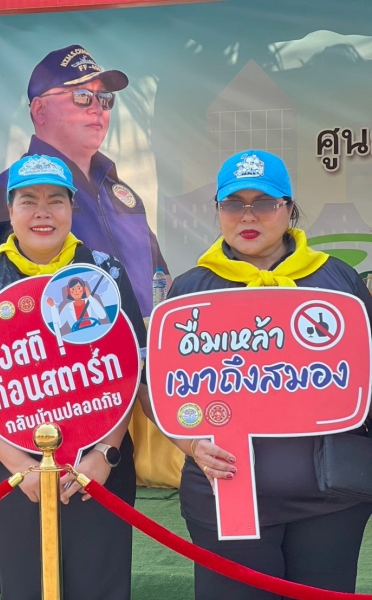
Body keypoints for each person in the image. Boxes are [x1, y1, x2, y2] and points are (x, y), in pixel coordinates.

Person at [145, 150, 372, 599]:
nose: (248, 216)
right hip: (228, 496)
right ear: (218, 210)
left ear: (289, 208)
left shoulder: (337, 281)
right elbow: (158, 389)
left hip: (330, 498)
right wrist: (191, 444)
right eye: (233, 204)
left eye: (265, 203)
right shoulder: (191, 289)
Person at [0, 154, 147, 600]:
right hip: (8, 466)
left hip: (97, 463)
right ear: (10, 209)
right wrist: (21, 469)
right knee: (24, 587)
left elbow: (129, 371)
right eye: (28, 201)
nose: (43, 212)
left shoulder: (104, 273)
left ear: (73, 207)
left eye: (56, 200)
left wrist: (104, 455)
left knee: (100, 587)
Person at [0, 44, 168, 317]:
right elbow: (6, 297)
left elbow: (161, 279)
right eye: (82, 96)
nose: (97, 108)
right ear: (40, 110)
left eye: (105, 98)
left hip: (139, 340)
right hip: (64, 339)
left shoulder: (123, 193)